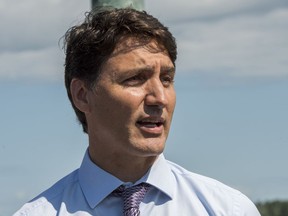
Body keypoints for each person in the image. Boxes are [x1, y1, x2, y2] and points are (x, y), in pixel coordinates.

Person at [14, 8, 261, 216]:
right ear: (82, 95)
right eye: (135, 79)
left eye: (166, 79)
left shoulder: (228, 209)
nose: (160, 98)